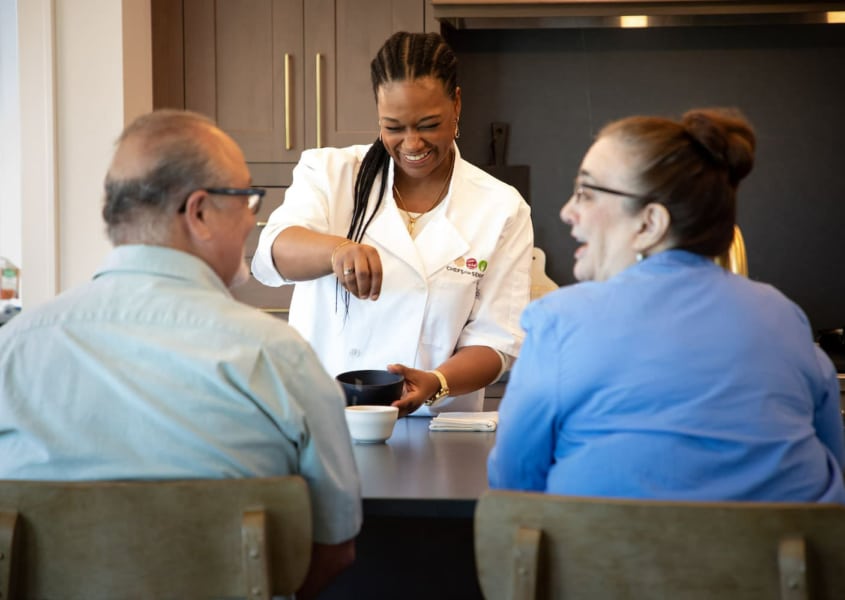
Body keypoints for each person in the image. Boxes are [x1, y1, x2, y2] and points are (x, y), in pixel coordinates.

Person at [0, 110, 362, 598]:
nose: (252, 218)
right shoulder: (278, 357)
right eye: (246, 199)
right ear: (199, 212)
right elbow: (333, 549)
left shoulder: (13, 349)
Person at [488, 108, 845, 503]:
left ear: (650, 223)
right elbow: (836, 467)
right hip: (784, 546)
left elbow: (514, 485)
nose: (567, 211)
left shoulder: (558, 320)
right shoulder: (785, 318)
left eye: (586, 193)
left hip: (605, 545)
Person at [252, 31, 533, 417]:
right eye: (394, 127)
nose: (412, 144)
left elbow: (497, 340)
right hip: (325, 417)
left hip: (432, 424)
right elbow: (272, 253)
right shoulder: (330, 172)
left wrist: (436, 382)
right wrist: (336, 251)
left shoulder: (501, 207)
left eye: (428, 125)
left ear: (456, 103)